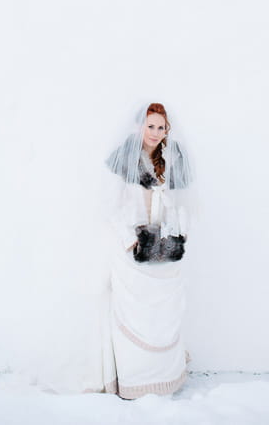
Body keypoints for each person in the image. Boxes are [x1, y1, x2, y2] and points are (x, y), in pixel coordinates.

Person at [101, 102, 193, 399]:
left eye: (161, 127)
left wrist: (177, 232)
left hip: (163, 246)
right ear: (140, 126)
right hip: (132, 248)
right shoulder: (123, 159)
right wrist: (131, 240)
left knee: (164, 312)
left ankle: (165, 376)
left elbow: (182, 201)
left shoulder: (173, 158)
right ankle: (136, 380)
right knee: (134, 311)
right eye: (150, 126)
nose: (155, 132)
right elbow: (111, 204)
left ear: (168, 130)